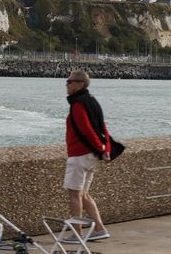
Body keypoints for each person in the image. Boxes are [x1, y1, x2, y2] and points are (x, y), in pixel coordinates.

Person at [63, 70, 110, 243]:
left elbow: (86, 130)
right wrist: (105, 149)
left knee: (75, 195)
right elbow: (102, 128)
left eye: (69, 81)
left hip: (79, 155)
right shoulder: (92, 101)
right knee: (84, 194)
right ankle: (99, 228)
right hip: (92, 156)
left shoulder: (78, 104)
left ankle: (77, 234)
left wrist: (99, 147)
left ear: (79, 84)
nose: (67, 85)